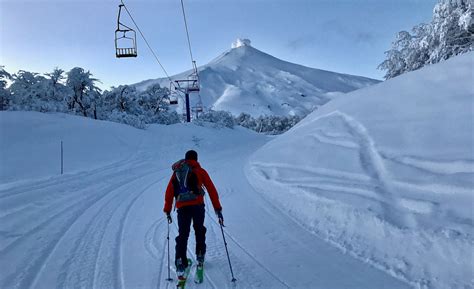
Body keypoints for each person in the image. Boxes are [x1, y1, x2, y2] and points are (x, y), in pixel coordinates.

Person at [163, 149, 224, 276]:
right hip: (197, 206)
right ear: (196, 159)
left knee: (183, 234)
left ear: (185, 159)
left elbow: (169, 191)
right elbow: (211, 189)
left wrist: (167, 210)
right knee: (199, 229)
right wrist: (217, 209)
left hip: (182, 207)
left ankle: (180, 261)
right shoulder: (200, 171)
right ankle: (200, 254)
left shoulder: (177, 172)